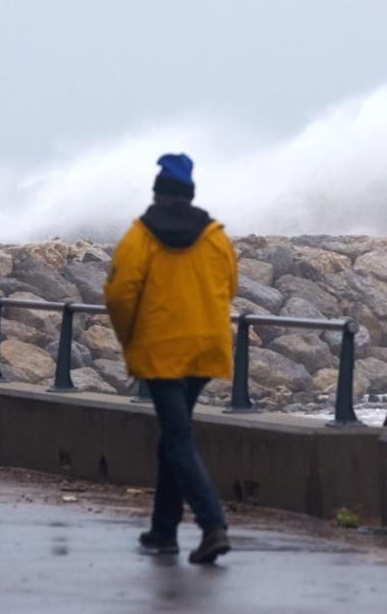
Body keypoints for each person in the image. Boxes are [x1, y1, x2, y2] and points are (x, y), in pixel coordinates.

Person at [104, 153, 237, 564]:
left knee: (178, 440)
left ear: (158, 194)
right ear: (190, 193)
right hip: (203, 348)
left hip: (161, 350)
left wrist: (131, 338)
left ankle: (213, 524)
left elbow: (120, 294)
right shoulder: (214, 236)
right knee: (172, 438)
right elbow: (230, 286)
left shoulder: (140, 237)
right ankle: (163, 531)